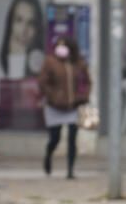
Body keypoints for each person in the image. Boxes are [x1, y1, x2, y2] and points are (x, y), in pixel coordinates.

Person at [38, 37, 91, 179]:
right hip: (54, 106)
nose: (61, 48)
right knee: (55, 138)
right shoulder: (50, 62)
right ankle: (48, 155)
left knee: (73, 138)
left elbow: (87, 81)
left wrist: (83, 96)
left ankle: (70, 170)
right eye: (59, 45)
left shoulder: (78, 63)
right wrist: (52, 96)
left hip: (73, 106)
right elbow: (43, 82)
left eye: (64, 45)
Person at [0, 0, 46, 80]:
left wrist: (18, 59)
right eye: (19, 20)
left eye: (31, 23)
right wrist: (16, 59)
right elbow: (13, 93)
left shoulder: (43, 63)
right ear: (10, 24)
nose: (24, 30)